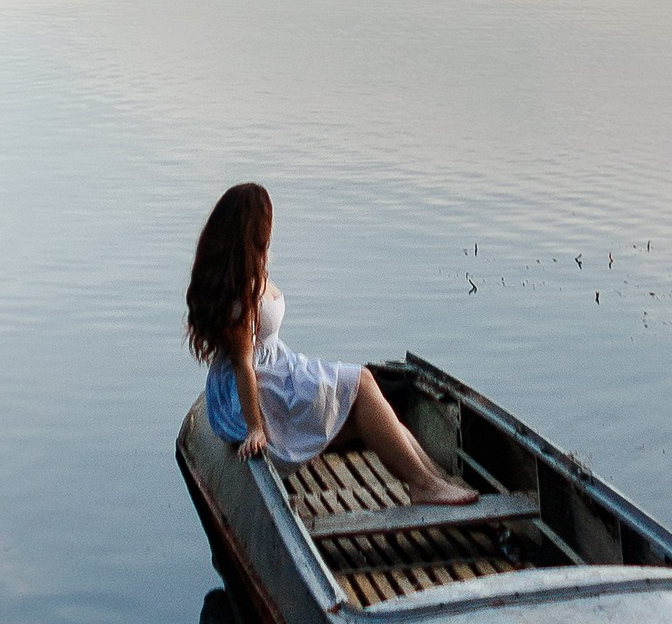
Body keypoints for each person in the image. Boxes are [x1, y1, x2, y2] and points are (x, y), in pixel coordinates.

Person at [184, 181, 474, 503]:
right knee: (361, 382)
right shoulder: (239, 292)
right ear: (253, 227)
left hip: (277, 368)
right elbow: (242, 365)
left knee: (364, 397)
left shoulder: (251, 268)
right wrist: (255, 427)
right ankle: (425, 485)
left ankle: (435, 477)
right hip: (258, 388)